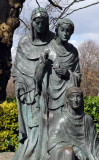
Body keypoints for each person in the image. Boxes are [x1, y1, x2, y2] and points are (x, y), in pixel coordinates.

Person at [12, 7, 54, 160]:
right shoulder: (24, 43)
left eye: (43, 22)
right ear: (32, 23)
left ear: (47, 23)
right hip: (28, 92)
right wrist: (19, 84)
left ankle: (46, 151)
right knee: (33, 126)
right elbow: (17, 68)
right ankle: (31, 151)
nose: (40, 25)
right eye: (37, 21)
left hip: (49, 91)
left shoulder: (54, 41)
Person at [48, 87, 99, 160]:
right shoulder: (62, 120)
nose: (75, 100)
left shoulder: (88, 120)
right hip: (71, 154)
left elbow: (96, 146)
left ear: (82, 99)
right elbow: (52, 142)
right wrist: (74, 148)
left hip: (88, 153)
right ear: (67, 100)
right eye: (72, 97)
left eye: (78, 96)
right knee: (67, 152)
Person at [47, 18, 81, 135]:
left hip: (68, 96)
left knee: (67, 130)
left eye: (68, 31)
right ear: (57, 30)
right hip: (50, 95)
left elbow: (78, 75)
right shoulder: (49, 48)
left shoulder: (73, 51)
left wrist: (68, 74)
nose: (65, 34)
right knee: (52, 128)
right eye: (62, 30)